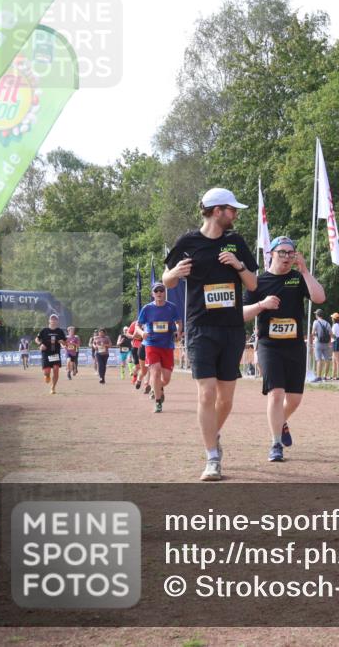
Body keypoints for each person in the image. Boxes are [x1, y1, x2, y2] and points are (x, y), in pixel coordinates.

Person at [163, 187, 258, 482]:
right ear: (217, 211)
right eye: (232, 210)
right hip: (200, 327)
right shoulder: (188, 242)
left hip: (231, 328)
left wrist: (238, 265)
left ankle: (212, 434)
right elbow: (167, 280)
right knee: (206, 393)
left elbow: (253, 284)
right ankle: (212, 458)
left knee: (226, 400)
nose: (236, 215)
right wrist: (175, 271)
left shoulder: (235, 242)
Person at [244, 236, 325, 462]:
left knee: (295, 399)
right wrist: (262, 305)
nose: (288, 257)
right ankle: (275, 444)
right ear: (271, 254)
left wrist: (306, 272)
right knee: (276, 392)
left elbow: (319, 298)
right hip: (269, 346)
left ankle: (280, 422)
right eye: (283, 253)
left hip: (295, 346)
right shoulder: (258, 282)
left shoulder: (297, 279)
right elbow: (241, 312)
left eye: (291, 253)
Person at [138, 282, 183, 412]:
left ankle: (155, 387)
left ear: (165, 292)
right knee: (156, 372)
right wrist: (142, 333)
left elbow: (179, 322)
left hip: (167, 345)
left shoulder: (171, 307)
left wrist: (178, 332)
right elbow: (138, 326)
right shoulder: (147, 308)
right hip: (151, 344)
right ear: (152, 294)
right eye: (156, 291)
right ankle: (158, 402)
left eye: (161, 290)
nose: (159, 293)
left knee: (166, 379)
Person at [35, 313, 67, 394]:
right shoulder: (44, 330)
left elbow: (65, 343)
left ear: (57, 321)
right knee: (47, 372)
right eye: (52, 319)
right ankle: (47, 376)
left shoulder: (60, 331)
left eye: (55, 319)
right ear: (49, 321)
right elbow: (36, 339)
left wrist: (62, 341)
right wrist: (40, 344)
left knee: (56, 369)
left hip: (55, 353)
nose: (53, 320)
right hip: (46, 353)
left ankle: (53, 388)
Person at [310, 309, 333, 382]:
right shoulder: (327, 323)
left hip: (318, 343)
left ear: (317, 315)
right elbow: (331, 334)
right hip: (326, 343)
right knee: (327, 360)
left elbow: (313, 333)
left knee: (319, 359)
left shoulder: (315, 322)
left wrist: (314, 336)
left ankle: (318, 376)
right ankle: (325, 376)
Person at [125, 320, 147, 391]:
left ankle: (146, 384)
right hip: (136, 347)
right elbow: (127, 334)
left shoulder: (150, 322)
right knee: (138, 367)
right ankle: (135, 377)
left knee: (147, 367)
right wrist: (133, 336)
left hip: (148, 347)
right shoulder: (135, 323)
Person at [330, 313, 339, 380]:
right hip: (337, 342)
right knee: (334, 359)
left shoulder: (335, 325)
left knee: (337, 360)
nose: (331, 318)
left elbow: (333, 335)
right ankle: (333, 375)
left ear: (334, 319)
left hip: (335, 342)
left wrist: (329, 334)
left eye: (332, 317)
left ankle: (338, 375)